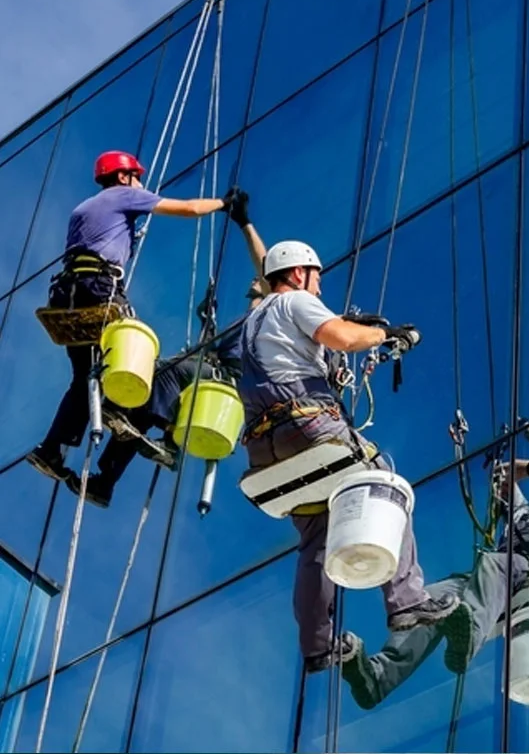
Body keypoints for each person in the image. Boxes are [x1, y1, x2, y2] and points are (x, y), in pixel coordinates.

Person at [236, 239, 460, 673]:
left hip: (266, 448)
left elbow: (290, 359)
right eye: (316, 277)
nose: (318, 289)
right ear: (298, 273)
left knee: (317, 538)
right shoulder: (295, 301)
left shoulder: (251, 322)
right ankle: (408, 602)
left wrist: (330, 363)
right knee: (384, 484)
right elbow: (340, 336)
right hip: (306, 423)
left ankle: (316, 646)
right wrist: (382, 334)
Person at [27, 150, 248, 483]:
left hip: (67, 295)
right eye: (137, 178)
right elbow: (188, 208)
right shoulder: (125, 194)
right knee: (139, 356)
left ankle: (51, 450)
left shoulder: (82, 209)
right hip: (99, 287)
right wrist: (222, 202)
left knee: (84, 378)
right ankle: (122, 411)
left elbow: (100, 238)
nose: (141, 185)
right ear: (122, 176)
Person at [339, 453, 529, 709]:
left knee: (495, 563)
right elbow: (501, 475)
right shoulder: (524, 514)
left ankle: (467, 640)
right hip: (497, 583)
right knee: (429, 600)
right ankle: (377, 678)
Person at [60, 187, 261, 509]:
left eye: (259, 282)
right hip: (212, 370)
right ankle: (104, 482)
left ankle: (165, 441)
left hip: (224, 377)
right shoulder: (249, 318)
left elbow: (267, 267)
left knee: (161, 373)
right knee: (139, 410)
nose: (253, 283)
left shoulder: (273, 306)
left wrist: (243, 222)